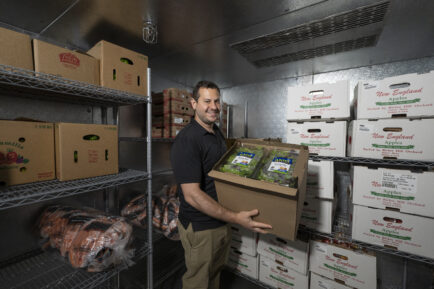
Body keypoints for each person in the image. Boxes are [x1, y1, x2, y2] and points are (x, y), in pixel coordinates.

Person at [170, 80, 272, 289]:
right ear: (193, 103)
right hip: (201, 228)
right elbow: (192, 196)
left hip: (220, 220)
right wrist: (236, 218)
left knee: (214, 274)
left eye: (217, 101)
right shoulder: (188, 140)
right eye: (207, 101)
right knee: (198, 281)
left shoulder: (215, 132)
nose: (213, 107)